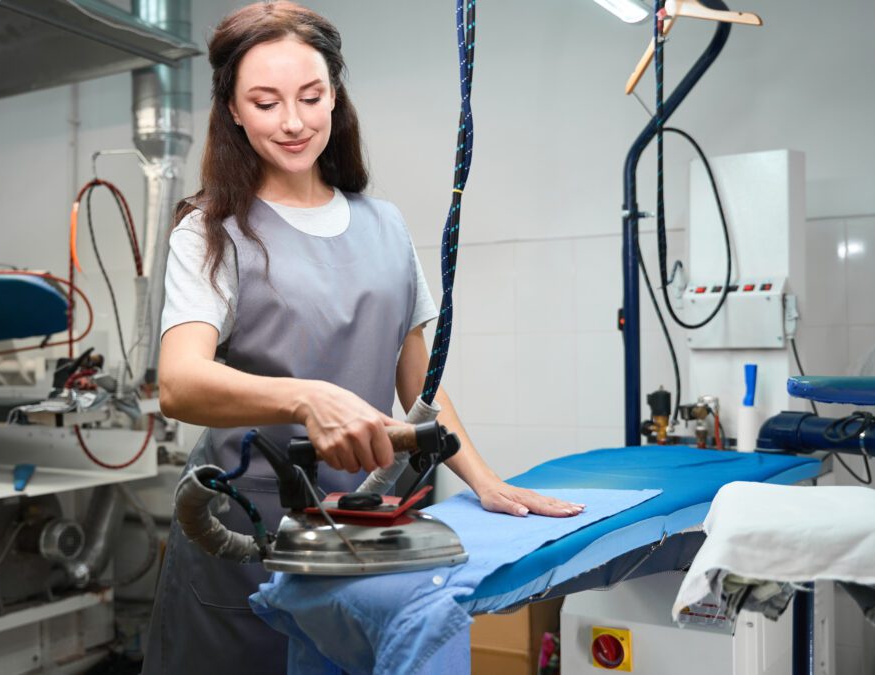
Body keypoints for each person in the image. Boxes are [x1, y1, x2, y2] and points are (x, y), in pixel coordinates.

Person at [143, 2, 584, 672]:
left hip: (365, 529)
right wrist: (306, 398)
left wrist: (485, 480)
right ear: (233, 110)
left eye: (311, 96)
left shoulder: (384, 225)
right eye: (265, 102)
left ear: (335, 97)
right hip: (248, 535)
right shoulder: (212, 231)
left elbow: (419, 385)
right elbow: (179, 381)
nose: (293, 122)